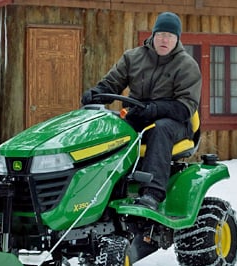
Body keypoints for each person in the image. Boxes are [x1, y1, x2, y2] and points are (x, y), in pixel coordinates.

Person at [81, 12, 202, 210]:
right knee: (110, 126)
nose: (165, 40)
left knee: (160, 129)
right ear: (153, 35)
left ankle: (152, 193)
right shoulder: (133, 57)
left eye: (170, 36)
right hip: (139, 115)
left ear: (177, 39)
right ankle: (98, 188)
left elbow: (185, 107)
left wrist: (155, 109)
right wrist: (96, 93)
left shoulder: (187, 66)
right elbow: (112, 83)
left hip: (176, 122)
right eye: (161, 34)